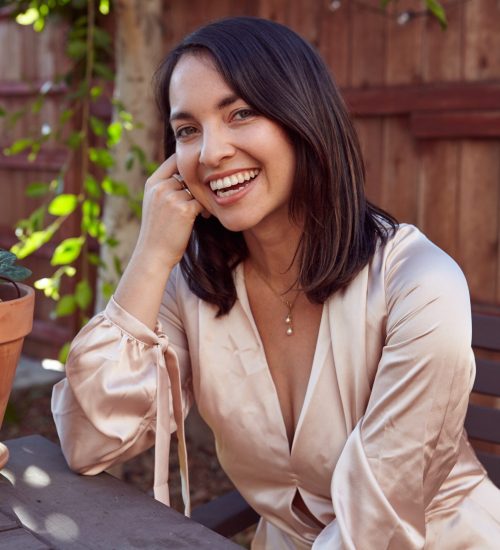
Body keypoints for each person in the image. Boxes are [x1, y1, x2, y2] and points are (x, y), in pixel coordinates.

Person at [52, 16, 500, 549]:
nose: (211, 152)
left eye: (240, 113)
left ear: (302, 118)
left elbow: (379, 519)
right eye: (187, 130)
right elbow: (88, 442)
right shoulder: (193, 283)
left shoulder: (420, 286)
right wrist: (149, 256)